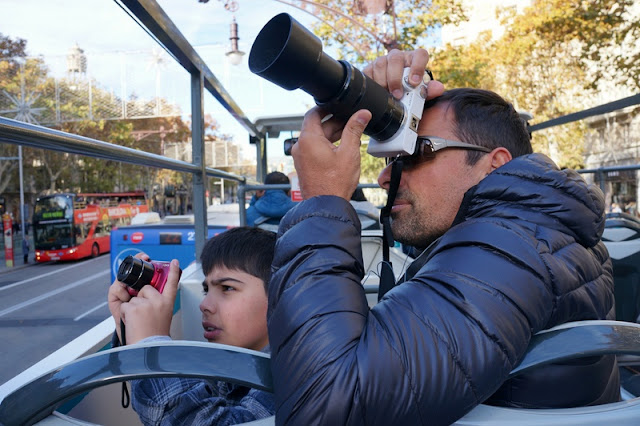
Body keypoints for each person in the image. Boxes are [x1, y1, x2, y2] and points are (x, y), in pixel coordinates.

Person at [266, 49, 618, 425]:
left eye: (415, 152)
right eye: (390, 158)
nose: (387, 177)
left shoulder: (507, 251)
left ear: (494, 164)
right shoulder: (539, 231)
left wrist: (322, 203)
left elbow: (325, 409)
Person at [107, 227, 276, 426]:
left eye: (227, 288)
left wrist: (151, 347)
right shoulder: (231, 362)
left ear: (278, 294)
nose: (204, 305)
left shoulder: (294, 371)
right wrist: (131, 332)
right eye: (207, 290)